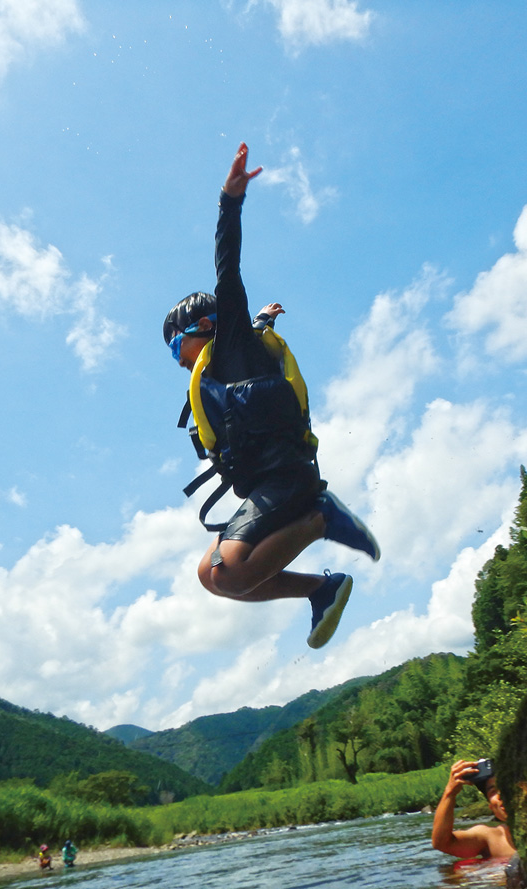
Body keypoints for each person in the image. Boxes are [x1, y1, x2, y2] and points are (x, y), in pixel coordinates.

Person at [164, 142, 380, 650]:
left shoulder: (231, 343)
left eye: (176, 342)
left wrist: (229, 202)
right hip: (266, 485)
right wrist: (263, 319)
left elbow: (227, 272)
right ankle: (321, 590)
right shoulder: (227, 361)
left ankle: (323, 517)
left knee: (233, 571)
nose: (175, 357)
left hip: (288, 480)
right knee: (210, 574)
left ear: (203, 327)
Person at [431, 758, 516, 859]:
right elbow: (442, 843)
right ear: (491, 807)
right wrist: (450, 793)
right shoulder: (491, 838)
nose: (501, 795)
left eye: (506, 786)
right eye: (493, 791)